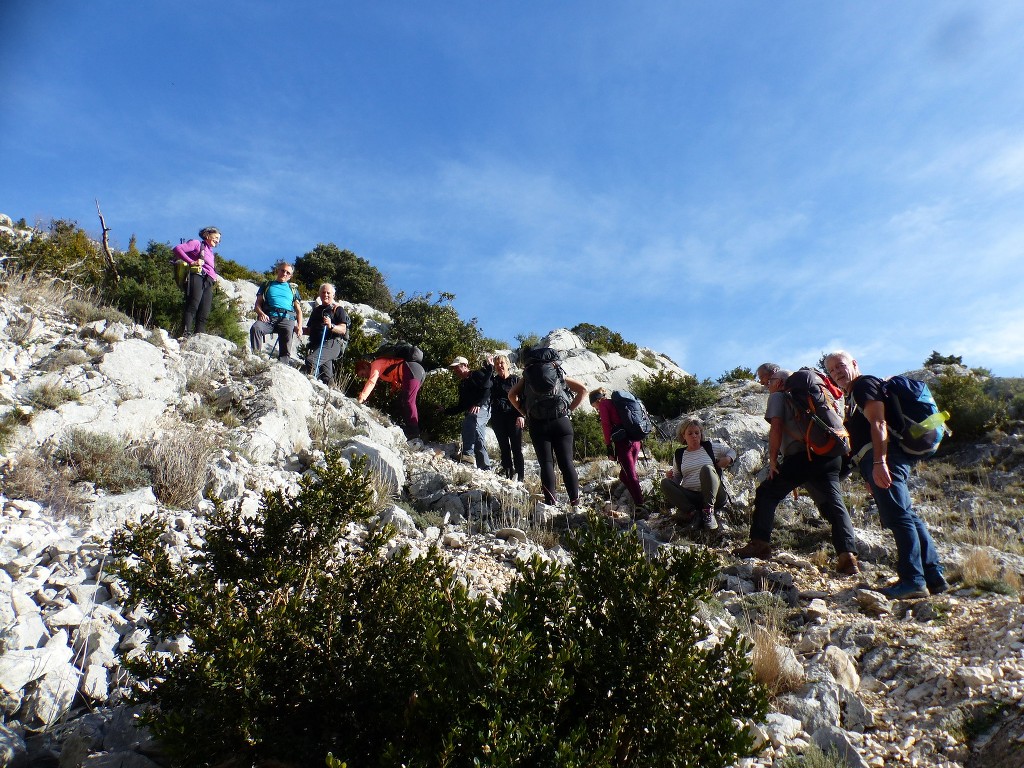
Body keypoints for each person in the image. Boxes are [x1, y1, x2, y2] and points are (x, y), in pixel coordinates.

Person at [825, 351, 948, 598]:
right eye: (832, 370)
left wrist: (880, 462)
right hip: (882, 459)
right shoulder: (855, 394)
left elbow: (878, 424)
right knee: (907, 515)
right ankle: (933, 577)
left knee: (899, 517)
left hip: (885, 457)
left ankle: (913, 580)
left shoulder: (863, 385)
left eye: (841, 366)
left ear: (854, 364)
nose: (837, 372)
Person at [733, 367, 860, 576]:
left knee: (767, 493)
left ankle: (759, 544)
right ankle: (848, 556)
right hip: (830, 454)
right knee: (833, 504)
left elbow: (776, 427)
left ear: (779, 380)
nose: (767, 386)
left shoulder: (779, 396)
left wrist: (773, 460)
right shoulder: (816, 393)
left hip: (803, 457)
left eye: (768, 381)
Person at [508, 356, 588, 507]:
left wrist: (525, 412)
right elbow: (583, 390)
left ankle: (550, 503)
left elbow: (511, 395)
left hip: (538, 425)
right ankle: (575, 503)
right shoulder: (558, 374)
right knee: (567, 463)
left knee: (546, 464)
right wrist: (569, 410)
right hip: (561, 421)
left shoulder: (527, 377)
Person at [661, 417, 736, 530]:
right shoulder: (679, 454)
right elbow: (677, 478)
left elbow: (732, 451)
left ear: (701, 433)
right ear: (684, 436)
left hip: (715, 496)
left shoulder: (710, 447)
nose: (694, 436)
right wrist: (671, 479)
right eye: (690, 433)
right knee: (665, 483)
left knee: (707, 469)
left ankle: (708, 512)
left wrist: (728, 459)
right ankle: (693, 513)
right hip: (692, 497)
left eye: (697, 432)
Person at [589, 388, 644, 514]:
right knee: (624, 476)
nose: (596, 409)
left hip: (623, 443)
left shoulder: (604, 405)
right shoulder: (617, 403)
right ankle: (639, 499)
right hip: (635, 441)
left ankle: (640, 505)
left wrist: (608, 446)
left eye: (594, 406)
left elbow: (606, 425)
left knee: (630, 475)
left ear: (597, 400)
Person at [355, 356, 426, 440]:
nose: (365, 376)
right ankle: (411, 429)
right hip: (415, 371)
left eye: (363, 374)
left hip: (411, 370)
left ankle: (414, 432)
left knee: (408, 401)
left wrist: (361, 399)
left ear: (365, 366)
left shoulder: (376, 364)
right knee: (400, 402)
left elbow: (371, 382)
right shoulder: (380, 371)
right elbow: (395, 376)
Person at [445, 355, 495, 469]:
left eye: (457, 367)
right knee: (478, 435)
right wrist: (446, 411)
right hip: (473, 410)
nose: (455, 370)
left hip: (484, 407)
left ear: (465, 366)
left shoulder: (476, 374)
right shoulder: (462, 384)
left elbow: (487, 388)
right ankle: (486, 467)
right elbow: (462, 406)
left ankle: (468, 455)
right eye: (454, 368)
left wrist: (478, 404)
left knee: (471, 422)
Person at [250, 262, 304, 363]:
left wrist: (299, 326)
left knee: (287, 338)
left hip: (287, 318)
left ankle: (283, 364)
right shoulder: (266, 285)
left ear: (290, 276)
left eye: (288, 273)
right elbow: (258, 303)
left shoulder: (293, 289)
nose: (284, 274)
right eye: (282, 270)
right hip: (269, 317)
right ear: (278, 270)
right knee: (256, 328)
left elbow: (298, 310)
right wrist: (261, 313)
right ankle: (256, 358)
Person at [173, 226, 221, 336]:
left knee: (204, 311)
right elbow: (177, 249)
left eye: (219, 239)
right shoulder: (197, 243)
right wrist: (191, 262)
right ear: (208, 235)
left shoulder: (210, 251)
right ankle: (185, 333)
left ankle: (199, 335)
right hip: (197, 276)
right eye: (216, 237)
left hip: (208, 281)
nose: (217, 241)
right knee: (192, 305)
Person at [302, 283, 350, 386]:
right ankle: (332, 392)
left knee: (311, 361)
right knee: (326, 376)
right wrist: (297, 329)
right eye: (323, 292)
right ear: (319, 294)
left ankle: (309, 386)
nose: (326, 295)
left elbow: (343, 330)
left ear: (333, 295)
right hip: (318, 345)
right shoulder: (316, 310)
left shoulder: (338, 309)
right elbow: (310, 330)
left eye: (328, 293)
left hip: (332, 344)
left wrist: (331, 326)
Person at [490, 354, 525, 481]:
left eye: (502, 363)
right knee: (504, 447)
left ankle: (520, 477)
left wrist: (521, 415)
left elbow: (523, 398)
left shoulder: (516, 380)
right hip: (498, 418)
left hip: (514, 417)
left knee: (516, 447)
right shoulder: (493, 381)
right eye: (497, 364)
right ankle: (508, 475)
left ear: (508, 365)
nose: (500, 366)